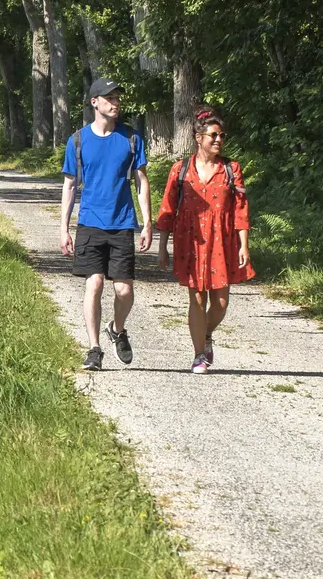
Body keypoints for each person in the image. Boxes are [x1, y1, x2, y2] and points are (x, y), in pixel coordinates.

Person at [60, 79, 152, 371]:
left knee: (124, 290)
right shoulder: (77, 140)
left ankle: (117, 328)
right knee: (95, 283)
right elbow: (70, 184)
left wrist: (148, 223)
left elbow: (141, 181)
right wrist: (63, 227)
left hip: (122, 222)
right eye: (108, 97)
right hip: (89, 223)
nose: (115, 102)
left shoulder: (131, 138)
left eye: (117, 98)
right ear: (94, 102)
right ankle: (94, 348)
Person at [155, 108, 254, 374]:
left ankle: (205, 334)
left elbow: (240, 210)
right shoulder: (181, 169)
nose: (219, 140)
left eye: (222, 135)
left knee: (221, 303)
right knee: (197, 298)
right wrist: (162, 246)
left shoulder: (231, 169)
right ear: (198, 137)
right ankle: (199, 353)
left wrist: (244, 245)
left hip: (223, 240)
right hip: (191, 241)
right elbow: (168, 208)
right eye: (213, 135)